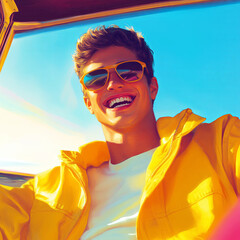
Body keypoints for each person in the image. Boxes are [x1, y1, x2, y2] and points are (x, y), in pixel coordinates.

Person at [0, 25, 239, 240]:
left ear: (152, 87)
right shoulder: (46, 191)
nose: (113, 83)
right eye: (96, 78)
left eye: (128, 71)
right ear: (88, 103)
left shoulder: (220, 144)